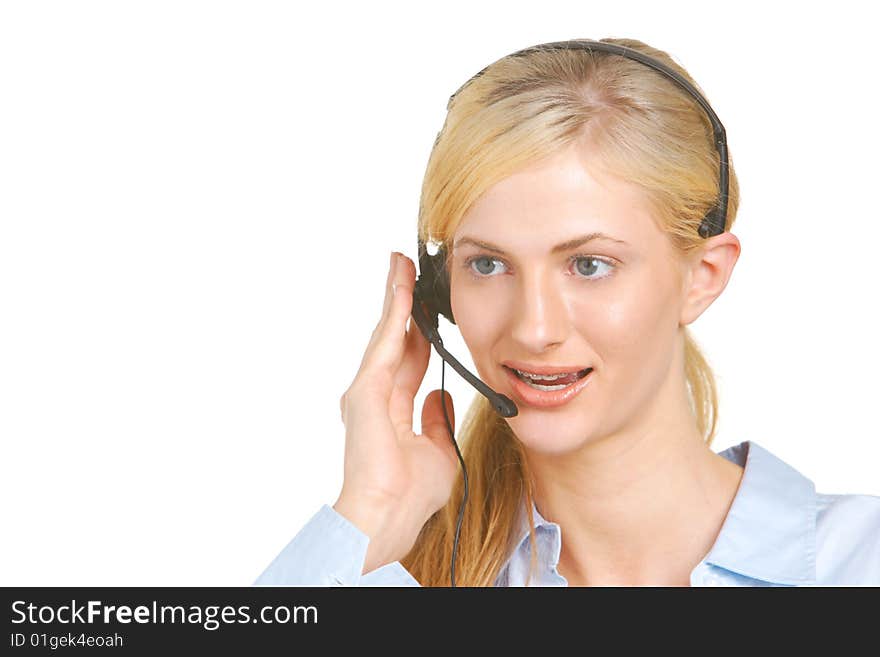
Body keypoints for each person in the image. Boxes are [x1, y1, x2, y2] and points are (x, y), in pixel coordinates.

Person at [255, 37, 880, 587]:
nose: (534, 328)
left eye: (588, 265)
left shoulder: (859, 563)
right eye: (488, 264)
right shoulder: (386, 575)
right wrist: (371, 513)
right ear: (437, 292)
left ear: (702, 276)